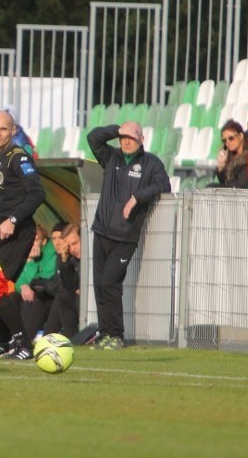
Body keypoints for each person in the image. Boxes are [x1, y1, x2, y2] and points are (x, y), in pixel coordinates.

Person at [87, 121, 170, 350]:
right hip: (102, 231)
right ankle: (105, 334)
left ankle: (116, 335)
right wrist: (116, 129)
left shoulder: (151, 163)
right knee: (100, 286)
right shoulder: (111, 156)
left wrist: (137, 197)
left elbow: (163, 185)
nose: (125, 141)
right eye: (122, 137)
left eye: (131, 137)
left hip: (125, 237)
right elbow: (93, 137)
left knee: (110, 283)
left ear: (141, 140)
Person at [0, 109, 45, 360]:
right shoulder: (1, 156)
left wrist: (13, 219)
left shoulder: (19, 157)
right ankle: (3, 340)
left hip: (20, 231)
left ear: (13, 131)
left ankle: (24, 344)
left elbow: (37, 194)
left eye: (4, 129)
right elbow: (9, 193)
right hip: (5, 230)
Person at [18, 222, 62, 340]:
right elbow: (18, 279)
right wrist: (22, 285)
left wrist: (31, 262)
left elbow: (39, 280)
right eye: (29, 239)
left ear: (43, 241)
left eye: (35, 239)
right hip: (41, 292)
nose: (31, 243)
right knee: (17, 297)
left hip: (50, 294)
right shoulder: (24, 251)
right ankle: (19, 336)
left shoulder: (51, 252)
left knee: (36, 297)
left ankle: (26, 338)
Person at [42, 223, 81, 338]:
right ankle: (47, 337)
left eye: (75, 243)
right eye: (69, 246)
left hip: (91, 301)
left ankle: (71, 337)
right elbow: (69, 285)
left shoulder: (92, 256)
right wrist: (64, 260)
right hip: (74, 299)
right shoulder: (69, 258)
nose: (73, 249)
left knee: (62, 296)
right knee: (62, 296)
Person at [214, 119, 248, 188]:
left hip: (246, 195)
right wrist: (221, 167)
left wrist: (227, 183)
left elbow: (241, 186)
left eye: (231, 138)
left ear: (240, 136)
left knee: (211, 187)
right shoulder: (230, 157)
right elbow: (223, 182)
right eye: (224, 140)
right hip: (233, 195)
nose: (227, 142)